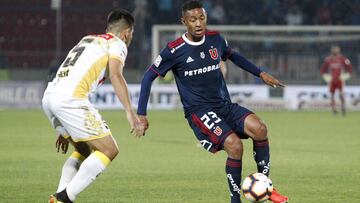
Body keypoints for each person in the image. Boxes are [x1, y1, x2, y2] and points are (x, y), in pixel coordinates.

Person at [137, 1, 288, 203]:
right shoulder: (174, 50)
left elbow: (233, 56)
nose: (198, 23)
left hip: (224, 105)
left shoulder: (215, 39)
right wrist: (141, 114)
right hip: (198, 111)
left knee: (260, 128)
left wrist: (260, 74)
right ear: (184, 22)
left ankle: (266, 187)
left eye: (201, 18)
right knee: (234, 146)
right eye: (193, 19)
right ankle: (235, 200)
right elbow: (148, 77)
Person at [42, 9, 145, 203]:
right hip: (70, 100)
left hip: (51, 96)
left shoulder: (87, 39)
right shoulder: (117, 43)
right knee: (109, 150)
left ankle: (59, 197)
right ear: (127, 32)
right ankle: (64, 198)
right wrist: (130, 113)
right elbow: (116, 75)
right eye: (131, 33)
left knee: (83, 150)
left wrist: (64, 123)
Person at [320, 45, 352, 115]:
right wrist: (325, 76)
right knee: (332, 95)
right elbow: (322, 69)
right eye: (333, 49)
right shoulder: (328, 59)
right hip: (332, 80)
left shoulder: (343, 59)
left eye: (336, 49)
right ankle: (334, 109)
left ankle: (343, 108)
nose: (335, 51)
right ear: (331, 51)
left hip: (340, 80)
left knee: (341, 94)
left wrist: (347, 75)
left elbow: (349, 67)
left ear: (339, 50)